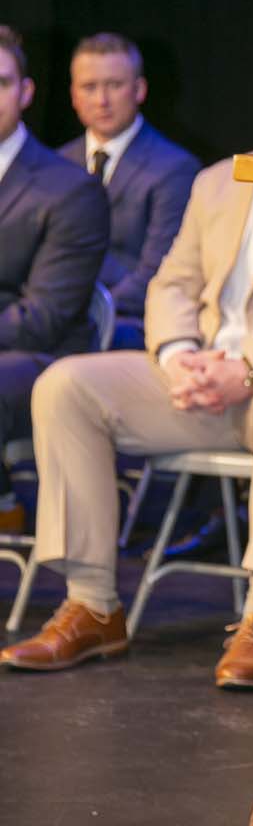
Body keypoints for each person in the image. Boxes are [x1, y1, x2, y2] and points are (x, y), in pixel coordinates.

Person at [1, 12, 253, 688]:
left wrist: (250, 367)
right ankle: (92, 604)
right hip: (198, 378)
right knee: (66, 386)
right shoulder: (219, 180)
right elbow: (173, 283)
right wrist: (178, 354)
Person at [0, 27, 110, 535]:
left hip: (40, 357)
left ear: (25, 92)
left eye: (1, 83)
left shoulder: (69, 189)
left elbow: (43, 318)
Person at [60, 32, 200, 349]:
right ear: (73, 95)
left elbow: (158, 274)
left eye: (114, 85)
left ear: (139, 90)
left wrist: (86, 311)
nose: (101, 100)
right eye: (89, 87)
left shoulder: (174, 168)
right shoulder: (55, 163)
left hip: (128, 323)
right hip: (58, 316)